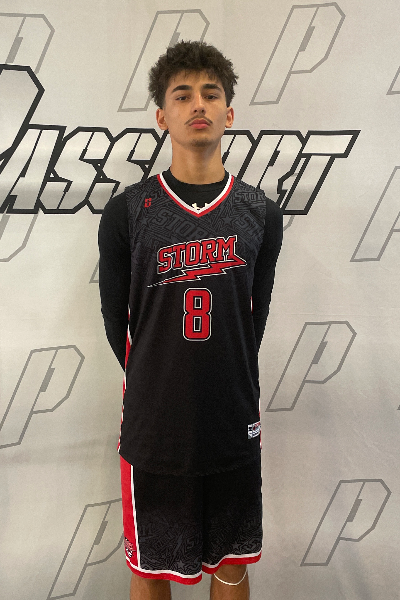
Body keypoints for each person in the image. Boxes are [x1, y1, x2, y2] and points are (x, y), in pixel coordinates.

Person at [98, 40, 283, 600]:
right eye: (182, 95)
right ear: (162, 116)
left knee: (231, 566)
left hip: (232, 421)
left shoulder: (260, 212)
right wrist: (162, 382)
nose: (198, 104)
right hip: (156, 427)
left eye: (211, 93)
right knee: (151, 570)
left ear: (229, 113)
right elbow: (116, 323)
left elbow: (254, 321)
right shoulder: (127, 211)